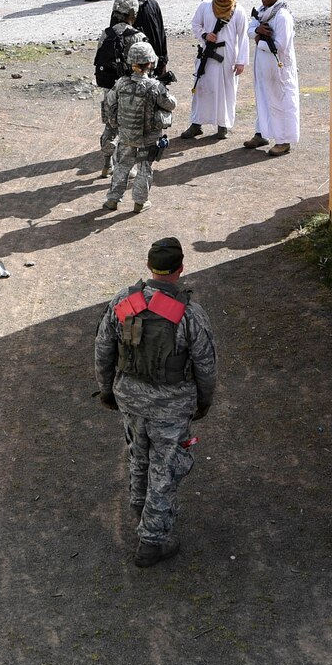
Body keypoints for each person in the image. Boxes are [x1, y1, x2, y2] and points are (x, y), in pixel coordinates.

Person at [94, 236, 217, 567]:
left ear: (149, 266)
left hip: (130, 399)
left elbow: (103, 348)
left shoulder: (124, 302)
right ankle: (152, 541)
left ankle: (140, 504)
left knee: (139, 452)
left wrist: (107, 390)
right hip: (171, 406)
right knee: (165, 466)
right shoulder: (189, 314)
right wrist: (203, 402)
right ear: (181, 268)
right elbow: (206, 365)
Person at [99, 39, 174, 213]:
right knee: (144, 168)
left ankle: (112, 200)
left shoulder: (121, 83)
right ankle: (140, 203)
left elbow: (109, 101)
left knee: (122, 166)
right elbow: (171, 104)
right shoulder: (155, 86)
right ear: (150, 63)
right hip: (149, 136)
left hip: (126, 134)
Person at [183, 0, 250, 138]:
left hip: (227, 57)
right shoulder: (205, 6)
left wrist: (241, 61)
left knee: (226, 91)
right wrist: (205, 35)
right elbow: (195, 24)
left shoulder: (238, 11)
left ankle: (223, 125)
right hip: (207, 54)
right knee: (201, 88)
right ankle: (196, 123)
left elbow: (243, 37)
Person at [92, 0, 148, 175]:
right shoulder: (137, 36)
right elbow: (145, 66)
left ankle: (106, 164)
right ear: (133, 13)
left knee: (110, 125)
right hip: (129, 90)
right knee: (128, 129)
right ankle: (124, 167)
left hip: (109, 88)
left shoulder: (106, 33)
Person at [243, 0, 299, 157]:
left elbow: (280, 45)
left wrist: (259, 41)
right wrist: (257, 31)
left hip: (279, 69)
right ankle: (261, 133)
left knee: (280, 103)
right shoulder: (261, 11)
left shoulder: (282, 17)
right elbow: (250, 30)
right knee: (263, 99)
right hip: (262, 67)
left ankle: (283, 141)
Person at [126, 0, 171, 83]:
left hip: (155, 60)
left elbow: (161, 33)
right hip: (135, 64)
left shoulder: (152, 4)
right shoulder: (126, 5)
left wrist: (163, 59)